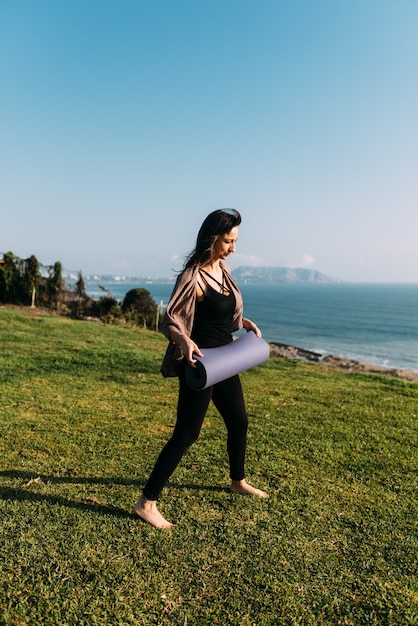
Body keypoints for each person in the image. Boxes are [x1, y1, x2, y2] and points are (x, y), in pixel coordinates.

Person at [133, 209, 268, 528]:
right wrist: (183, 340)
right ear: (212, 239)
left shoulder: (224, 268)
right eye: (228, 241)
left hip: (227, 359)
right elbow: (170, 322)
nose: (233, 247)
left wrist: (242, 322)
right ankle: (146, 503)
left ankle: (237, 481)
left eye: (235, 241)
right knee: (187, 433)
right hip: (200, 363)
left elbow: (227, 314)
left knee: (238, 420)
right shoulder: (192, 277)